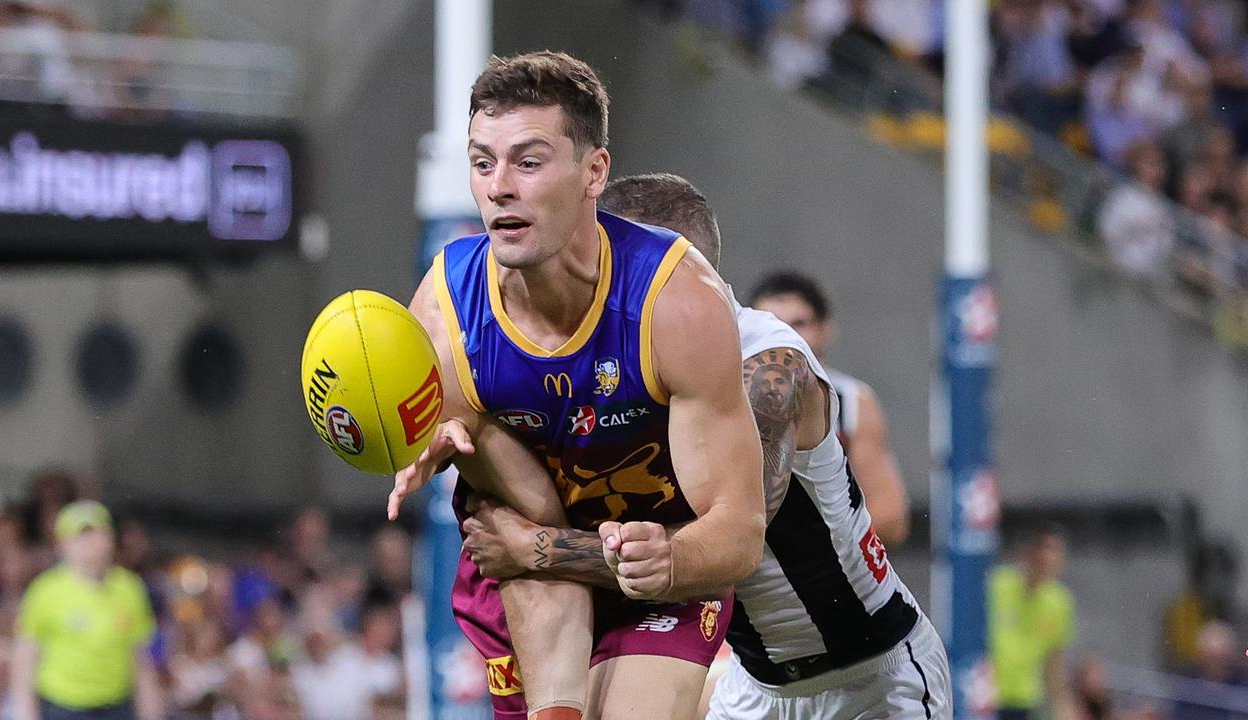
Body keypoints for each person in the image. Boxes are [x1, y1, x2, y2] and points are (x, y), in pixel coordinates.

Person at [450, 172, 951, 719]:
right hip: (753, 686)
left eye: (613, 261)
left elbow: (731, 546)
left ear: (678, 267)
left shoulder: (766, 364)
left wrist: (540, 550)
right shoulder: (634, 369)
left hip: (870, 676)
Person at [386, 52, 765, 719]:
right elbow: (448, 460)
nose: (499, 186)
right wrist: (438, 428)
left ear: (595, 172)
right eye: (482, 163)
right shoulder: (446, 305)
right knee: (487, 451)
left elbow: (738, 533)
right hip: (525, 566)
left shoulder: (675, 304)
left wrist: (671, 559)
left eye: (528, 162)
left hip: (656, 570)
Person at [746, 271, 911, 544]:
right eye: (770, 323)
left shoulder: (853, 402)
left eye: (798, 323)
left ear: (825, 329)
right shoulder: (726, 398)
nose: (784, 334)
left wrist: (804, 546)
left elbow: (891, 517)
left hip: (824, 567)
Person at [9, 500, 164, 720]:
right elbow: (25, 658)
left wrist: (152, 711)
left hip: (116, 705)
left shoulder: (130, 588)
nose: (92, 542)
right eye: (81, 535)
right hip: (62, 706)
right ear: (63, 544)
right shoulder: (45, 591)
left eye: (98, 533)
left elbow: (140, 657)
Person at [989, 523, 1077, 720]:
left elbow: (1053, 661)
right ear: (1029, 554)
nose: (1050, 561)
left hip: (1025, 699)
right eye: (1045, 551)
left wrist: (1062, 707)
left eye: (1056, 554)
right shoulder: (997, 585)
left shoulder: (1059, 602)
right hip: (988, 696)